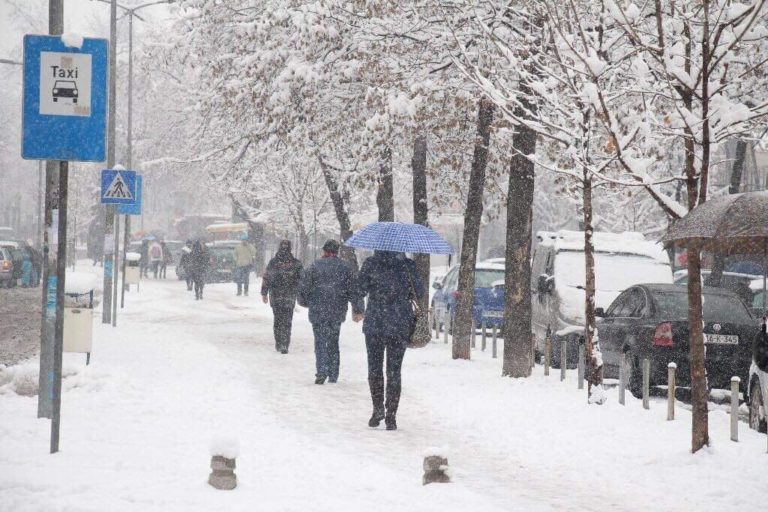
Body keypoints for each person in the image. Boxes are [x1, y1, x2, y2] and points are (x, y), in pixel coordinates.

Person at [356, 250, 423, 431]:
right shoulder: (407, 266)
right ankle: (391, 415)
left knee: (374, 368)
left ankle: (377, 408)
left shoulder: (371, 263)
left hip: (375, 324)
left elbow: (360, 289)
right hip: (400, 324)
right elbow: (420, 292)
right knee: (394, 371)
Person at [298, 239, 364, 385]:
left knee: (320, 341)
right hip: (337, 310)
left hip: (317, 310)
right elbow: (354, 290)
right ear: (336, 251)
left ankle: (321, 371)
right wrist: (358, 309)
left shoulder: (314, 266)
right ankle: (333, 374)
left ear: (324, 251)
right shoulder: (345, 268)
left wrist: (305, 302)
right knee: (333, 341)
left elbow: (304, 287)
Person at [261, 240, 302, 353]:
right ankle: (285, 344)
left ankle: (279, 343)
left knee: (278, 320)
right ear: (291, 249)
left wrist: (264, 293)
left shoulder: (273, 262)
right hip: (289, 296)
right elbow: (301, 280)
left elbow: (266, 277)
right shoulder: (296, 263)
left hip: (276, 295)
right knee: (287, 320)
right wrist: (301, 293)